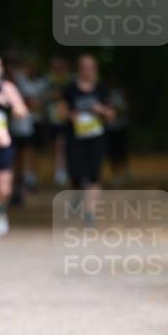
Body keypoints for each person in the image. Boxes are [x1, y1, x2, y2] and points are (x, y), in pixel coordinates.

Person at [63, 55, 115, 219]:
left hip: (96, 138)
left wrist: (101, 110)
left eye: (91, 67)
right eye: (84, 67)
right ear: (79, 69)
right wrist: (71, 115)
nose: (87, 71)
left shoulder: (102, 89)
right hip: (75, 138)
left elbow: (112, 114)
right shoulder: (70, 89)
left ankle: (89, 211)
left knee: (94, 173)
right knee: (76, 174)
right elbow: (60, 111)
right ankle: (77, 197)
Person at [0, 53, 28, 238]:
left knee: (4, 188)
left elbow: (22, 111)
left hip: (3, 142)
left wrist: (9, 104)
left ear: (0, 69)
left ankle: (0, 211)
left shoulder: (6, 88)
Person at [9, 56, 48, 198]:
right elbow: (32, 102)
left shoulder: (32, 82)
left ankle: (26, 181)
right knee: (16, 158)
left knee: (27, 155)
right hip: (16, 127)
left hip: (29, 126)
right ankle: (17, 186)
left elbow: (35, 103)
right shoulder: (17, 81)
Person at [45, 55, 71, 186]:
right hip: (53, 118)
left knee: (62, 144)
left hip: (65, 118)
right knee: (56, 145)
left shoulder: (69, 79)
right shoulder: (49, 79)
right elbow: (47, 96)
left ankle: (62, 170)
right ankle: (59, 169)